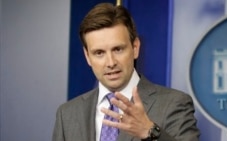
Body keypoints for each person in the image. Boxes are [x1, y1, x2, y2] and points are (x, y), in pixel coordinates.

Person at [52, 2, 200, 141]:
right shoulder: (67, 114)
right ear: (87, 56)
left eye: (118, 49)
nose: (110, 63)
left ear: (135, 48)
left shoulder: (174, 104)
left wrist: (150, 131)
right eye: (99, 53)